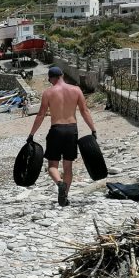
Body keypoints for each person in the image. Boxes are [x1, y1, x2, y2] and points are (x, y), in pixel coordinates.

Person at [27, 66, 97, 207]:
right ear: (62, 75)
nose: (49, 81)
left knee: (52, 165)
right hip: (72, 130)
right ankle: (64, 196)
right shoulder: (76, 90)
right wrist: (93, 129)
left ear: (52, 78)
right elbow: (84, 111)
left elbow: (40, 115)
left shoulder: (48, 93)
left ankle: (60, 184)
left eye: (49, 79)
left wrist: (31, 134)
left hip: (56, 130)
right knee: (68, 167)